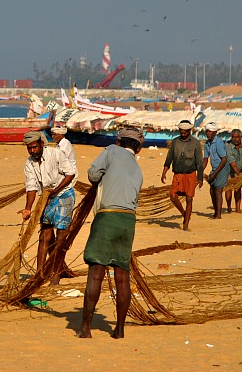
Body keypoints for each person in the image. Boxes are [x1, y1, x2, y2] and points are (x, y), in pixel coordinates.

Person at [79, 128, 144, 339]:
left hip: (108, 217)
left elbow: (92, 174)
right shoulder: (138, 168)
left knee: (96, 274)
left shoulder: (111, 151)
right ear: (138, 148)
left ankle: (86, 329)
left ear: (118, 141)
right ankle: (119, 330)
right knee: (122, 278)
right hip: (128, 221)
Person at [19, 130, 76, 285]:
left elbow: (70, 173)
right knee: (44, 236)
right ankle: (40, 274)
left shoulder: (56, 154)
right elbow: (31, 187)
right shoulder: (29, 163)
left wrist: (55, 191)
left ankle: (56, 274)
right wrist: (28, 208)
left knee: (60, 238)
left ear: (41, 144)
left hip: (64, 195)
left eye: (34, 147)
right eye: (29, 148)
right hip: (46, 197)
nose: (32, 151)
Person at [160, 120, 204, 231]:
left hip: (190, 174)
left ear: (189, 131)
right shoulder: (175, 142)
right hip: (177, 174)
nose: (183, 134)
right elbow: (169, 157)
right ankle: (185, 214)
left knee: (189, 199)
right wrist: (164, 172)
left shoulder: (195, 143)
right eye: (181, 132)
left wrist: (200, 178)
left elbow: (199, 162)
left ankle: (186, 225)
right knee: (173, 197)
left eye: (185, 132)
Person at [203, 122, 230, 219]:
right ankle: (215, 212)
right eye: (207, 131)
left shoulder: (218, 143)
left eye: (210, 131)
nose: (208, 133)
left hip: (222, 167)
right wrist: (201, 170)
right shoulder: (207, 144)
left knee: (218, 190)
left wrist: (214, 173)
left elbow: (224, 159)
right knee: (212, 190)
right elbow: (205, 159)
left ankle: (218, 214)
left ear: (215, 133)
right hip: (215, 168)